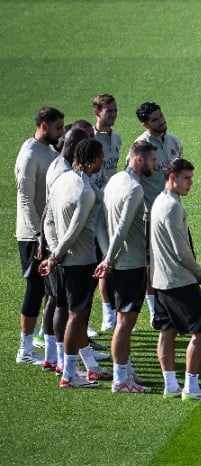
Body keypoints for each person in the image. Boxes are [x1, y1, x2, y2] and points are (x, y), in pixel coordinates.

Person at [40, 139, 108, 388]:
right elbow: (75, 230)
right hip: (79, 262)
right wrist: (57, 255)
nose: (103, 161)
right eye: (101, 157)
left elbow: (47, 220)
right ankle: (69, 374)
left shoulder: (63, 181)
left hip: (60, 261)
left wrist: (53, 253)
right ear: (93, 159)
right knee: (77, 317)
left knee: (69, 312)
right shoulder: (84, 190)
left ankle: (90, 367)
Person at [150, 158, 201, 400]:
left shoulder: (160, 201)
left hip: (160, 281)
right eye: (186, 179)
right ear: (172, 178)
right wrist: (198, 271)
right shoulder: (173, 207)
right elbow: (181, 250)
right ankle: (191, 386)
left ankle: (171, 385)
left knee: (167, 332)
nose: (191, 183)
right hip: (178, 281)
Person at [93, 140, 157, 392]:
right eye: (152, 160)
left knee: (123, 320)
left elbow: (100, 221)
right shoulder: (134, 189)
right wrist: (109, 258)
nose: (156, 165)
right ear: (139, 159)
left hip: (118, 262)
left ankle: (126, 370)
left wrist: (107, 254)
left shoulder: (114, 181)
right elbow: (122, 228)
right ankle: (120, 380)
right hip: (129, 264)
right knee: (124, 323)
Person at [15, 106, 63, 366]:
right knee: (35, 288)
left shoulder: (48, 149)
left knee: (50, 288)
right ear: (43, 126)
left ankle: (44, 339)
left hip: (45, 233)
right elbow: (25, 199)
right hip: (32, 235)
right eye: (57, 128)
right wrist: (37, 235)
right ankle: (24, 348)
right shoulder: (29, 155)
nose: (61, 133)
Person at [134, 101, 184, 326]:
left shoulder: (174, 141)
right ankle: (155, 310)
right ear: (145, 124)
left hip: (174, 213)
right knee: (151, 265)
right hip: (151, 216)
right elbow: (134, 178)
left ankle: (174, 306)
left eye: (161, 116)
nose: (161, 121)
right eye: (154, 120)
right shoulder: (140, 147)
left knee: (178, 257)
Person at [92, 94, 124, 332]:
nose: (113, 114)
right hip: (92, 208)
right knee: (102, 259)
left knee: (111, 258)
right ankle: (107, 314)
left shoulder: (117, 139)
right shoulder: (89, 139)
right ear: (97, 111)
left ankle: (112, 312)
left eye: (114, 110)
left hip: (111, 206)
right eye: (108, 111)